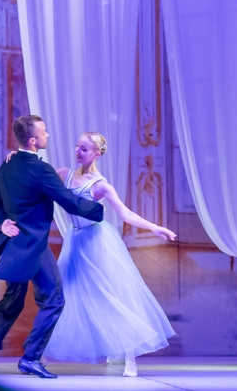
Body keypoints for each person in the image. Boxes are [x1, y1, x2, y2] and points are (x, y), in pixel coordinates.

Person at [0, 115, 103, 379]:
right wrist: (100, 210)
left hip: (15, 244)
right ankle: (31, 358)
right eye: (44, 132)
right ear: (33, 140)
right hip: (33, 244)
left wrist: (1, 223)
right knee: (54, 300)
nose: (48, 135)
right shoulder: (40, 169)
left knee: (12, 300)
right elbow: (69, 201)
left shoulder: (8, 164)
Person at [43, 132, 176, 376]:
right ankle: (38, 353)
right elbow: (39, 175)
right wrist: (19, 156)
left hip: (97, 241)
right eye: (78, 146)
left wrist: (155, 227)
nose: (78, 151)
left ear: (97, 154)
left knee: (113, 295)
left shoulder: (100, 185)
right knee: (67, 294)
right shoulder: (64, 174)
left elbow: (125, 214)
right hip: (75, 239)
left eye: (84, 149)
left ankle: (130, 357)